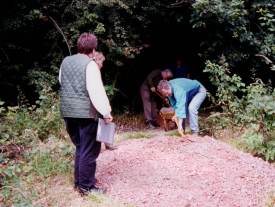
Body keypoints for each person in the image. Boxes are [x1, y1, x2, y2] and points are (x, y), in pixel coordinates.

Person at [59, 33, 112, 195]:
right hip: (86, 114)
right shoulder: (91, 65)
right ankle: (87, 187)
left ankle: (79, 183)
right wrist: (106, 112)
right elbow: (96, 92)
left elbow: (62, 82)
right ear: (93, 48)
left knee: (80, 147)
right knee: (89, 150)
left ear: (78, 46)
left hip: (67, 112)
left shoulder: (65, 61)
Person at [93, 51, 117, 151]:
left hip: (96, 101)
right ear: (97, 60)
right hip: (94, 101)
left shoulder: (95, 70)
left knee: (105, 118)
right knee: (104, 118)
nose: (102, 65)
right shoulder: (93, 69)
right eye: (101, 62)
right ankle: (101, 145)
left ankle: (107, 143)